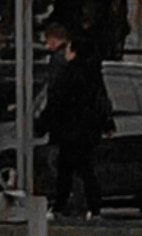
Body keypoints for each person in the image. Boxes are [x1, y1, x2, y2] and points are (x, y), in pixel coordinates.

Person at [44, 40, 113, 221]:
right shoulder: (93, 76)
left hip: (68, 130)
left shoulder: (66, 74)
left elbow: (55, 101)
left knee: (65, 170)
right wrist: (107, 123)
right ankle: (94, 208)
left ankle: (59, 206)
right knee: (86, 169)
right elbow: (102, 101)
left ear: (73, 52)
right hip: (88, 131)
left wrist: (42, 125)